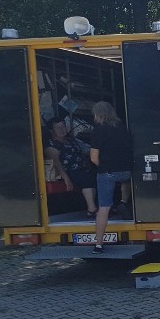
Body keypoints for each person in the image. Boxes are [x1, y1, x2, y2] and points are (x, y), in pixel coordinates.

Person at [89, 101, 133, 254]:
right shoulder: (123, 129)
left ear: (97, 114)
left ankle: (99, 244)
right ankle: (123, 201)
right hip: (126, 171)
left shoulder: (98, 131)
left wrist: (106, 167)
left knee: (104, 208)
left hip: (108, 172)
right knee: (126, 181)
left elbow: (94, 158)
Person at [43, 118, 97, 216]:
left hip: (83, 168)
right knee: (86, 179)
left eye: (63, 126)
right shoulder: (50, 145)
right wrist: (67, 179)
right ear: (52, 131)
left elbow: (86, 151)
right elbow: (56, 163)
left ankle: (100, 208)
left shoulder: (71, 140)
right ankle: (91, 209)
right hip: (68, 171)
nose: (62, 129)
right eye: (58, 127)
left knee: (97, 177)